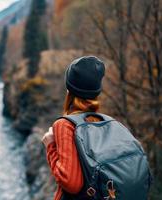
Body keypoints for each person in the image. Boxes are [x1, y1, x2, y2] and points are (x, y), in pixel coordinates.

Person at [42, 56, 105, 200]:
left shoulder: (65, 125)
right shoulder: (104, 122)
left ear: (69, 90)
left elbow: (72, 184)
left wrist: (51, 146)